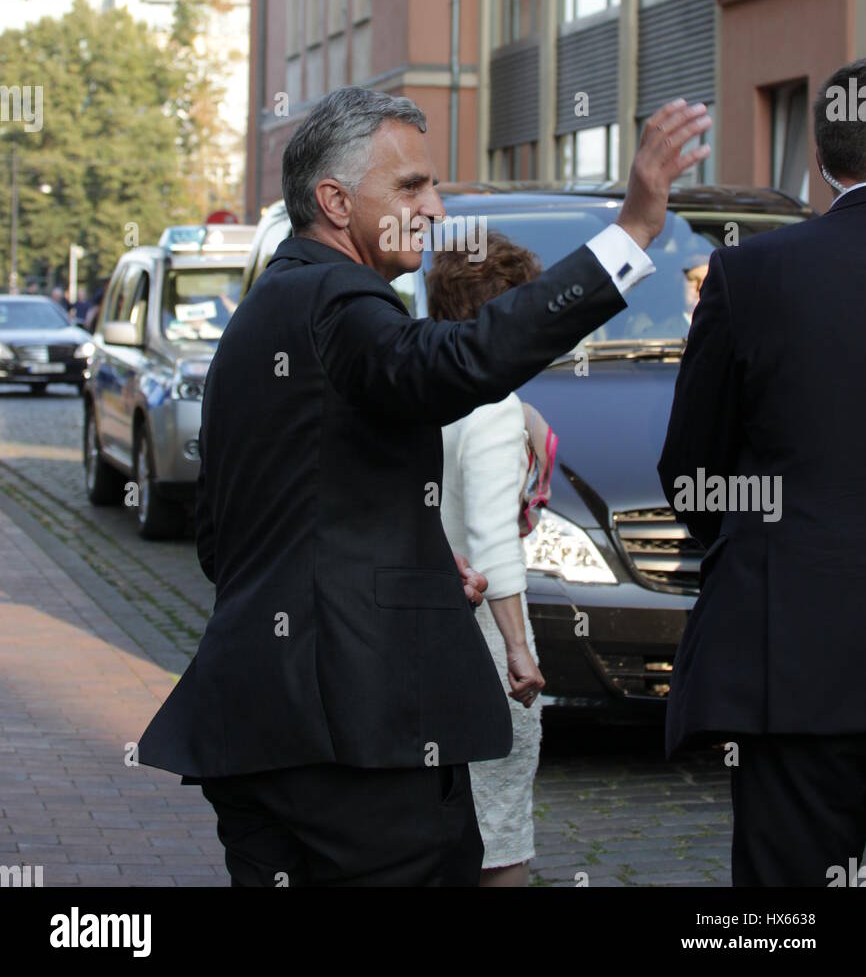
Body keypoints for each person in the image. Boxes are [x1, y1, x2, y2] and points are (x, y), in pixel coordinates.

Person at [137, 86, 710, 887]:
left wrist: (415, 572)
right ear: (335, 203)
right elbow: (455, 363)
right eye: (411, 187)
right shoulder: (337, 299)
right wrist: (631, 233)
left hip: (266, 728)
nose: (437, 210)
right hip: (351, 738)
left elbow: (235, 540)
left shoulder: (269, 311)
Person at [659, 57, 866, 888]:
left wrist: (761, 538)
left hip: (796, 657)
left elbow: (690, 469)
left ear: (819, 160)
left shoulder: (752, 272)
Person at [429, 233, 545, 887]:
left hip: (417, 633)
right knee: (499, 839)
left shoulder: (422, 386)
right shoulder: (494, 407)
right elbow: (492, 537)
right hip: (483, 638)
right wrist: (518, 650)